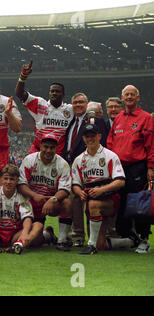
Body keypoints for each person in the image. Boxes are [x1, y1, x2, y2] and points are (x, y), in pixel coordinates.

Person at [71, 123, 136, 254]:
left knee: (94, 205)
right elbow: (75, 184)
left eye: (93, 136)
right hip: (91, 201)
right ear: (83, 138)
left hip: (110, 199)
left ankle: (90, 246)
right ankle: (130, 241)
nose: (90, 139)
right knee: (101, 244)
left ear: (99, 136)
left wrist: (102, 190)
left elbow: (120, 181)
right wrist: (80, 193)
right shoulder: (79, 160)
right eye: (87, 136)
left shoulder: (110, 156)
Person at [107, 84, 154, 254]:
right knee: (122, 204)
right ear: (122, 97)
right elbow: (110, 142)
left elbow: (151, 145)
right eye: (126, 94)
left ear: (137, 97)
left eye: (132, 94)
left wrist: (151, 168)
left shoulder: (146, 118)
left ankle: (144, 239)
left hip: (137, 168)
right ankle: (131, 237)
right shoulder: (118, 118)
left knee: (140, 204)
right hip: (119, 170)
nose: (129, 97)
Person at [63, 93, 108, 247]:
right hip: (72, 166)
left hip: (90, 166)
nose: (78, 105)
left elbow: (103, 142)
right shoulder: (72, 122)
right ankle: (78, 235)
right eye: (75, 102)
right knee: (75, 199)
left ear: (87, 104)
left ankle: (97, 234)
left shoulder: (95, 121)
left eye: (81, 102)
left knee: (91, 200)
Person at [18, 133, 73, 251]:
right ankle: (48, 234)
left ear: (56, 149)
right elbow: (21, 185)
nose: (48, 150)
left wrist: (53, 200)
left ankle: (62, 240)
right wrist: (34, 195)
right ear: (40, 146)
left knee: (67, 203)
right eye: (46, 147)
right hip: (31, 202)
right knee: (36, 242)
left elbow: (65, 190)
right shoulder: (29, 160)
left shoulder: (62, 164)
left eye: (52, 148)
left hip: (51, 203)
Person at [15, 59, 74, 155]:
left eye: (57, 91)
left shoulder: (70, 110)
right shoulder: (40, 104)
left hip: (58, 154)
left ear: (63, 95)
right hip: (38, 151)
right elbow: (20, 94)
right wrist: (23, 76)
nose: (54, 93)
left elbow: (85, 109)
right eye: (52, 91)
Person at [0, 164, 34, 254]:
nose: (8, 182)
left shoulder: (21, 197)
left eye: (12, 179)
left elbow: (27, 218)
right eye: (6, 178)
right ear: (2, 179)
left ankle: (19, 244)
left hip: (15, 234)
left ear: (17, 180)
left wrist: (24, 233)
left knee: (37, 226)